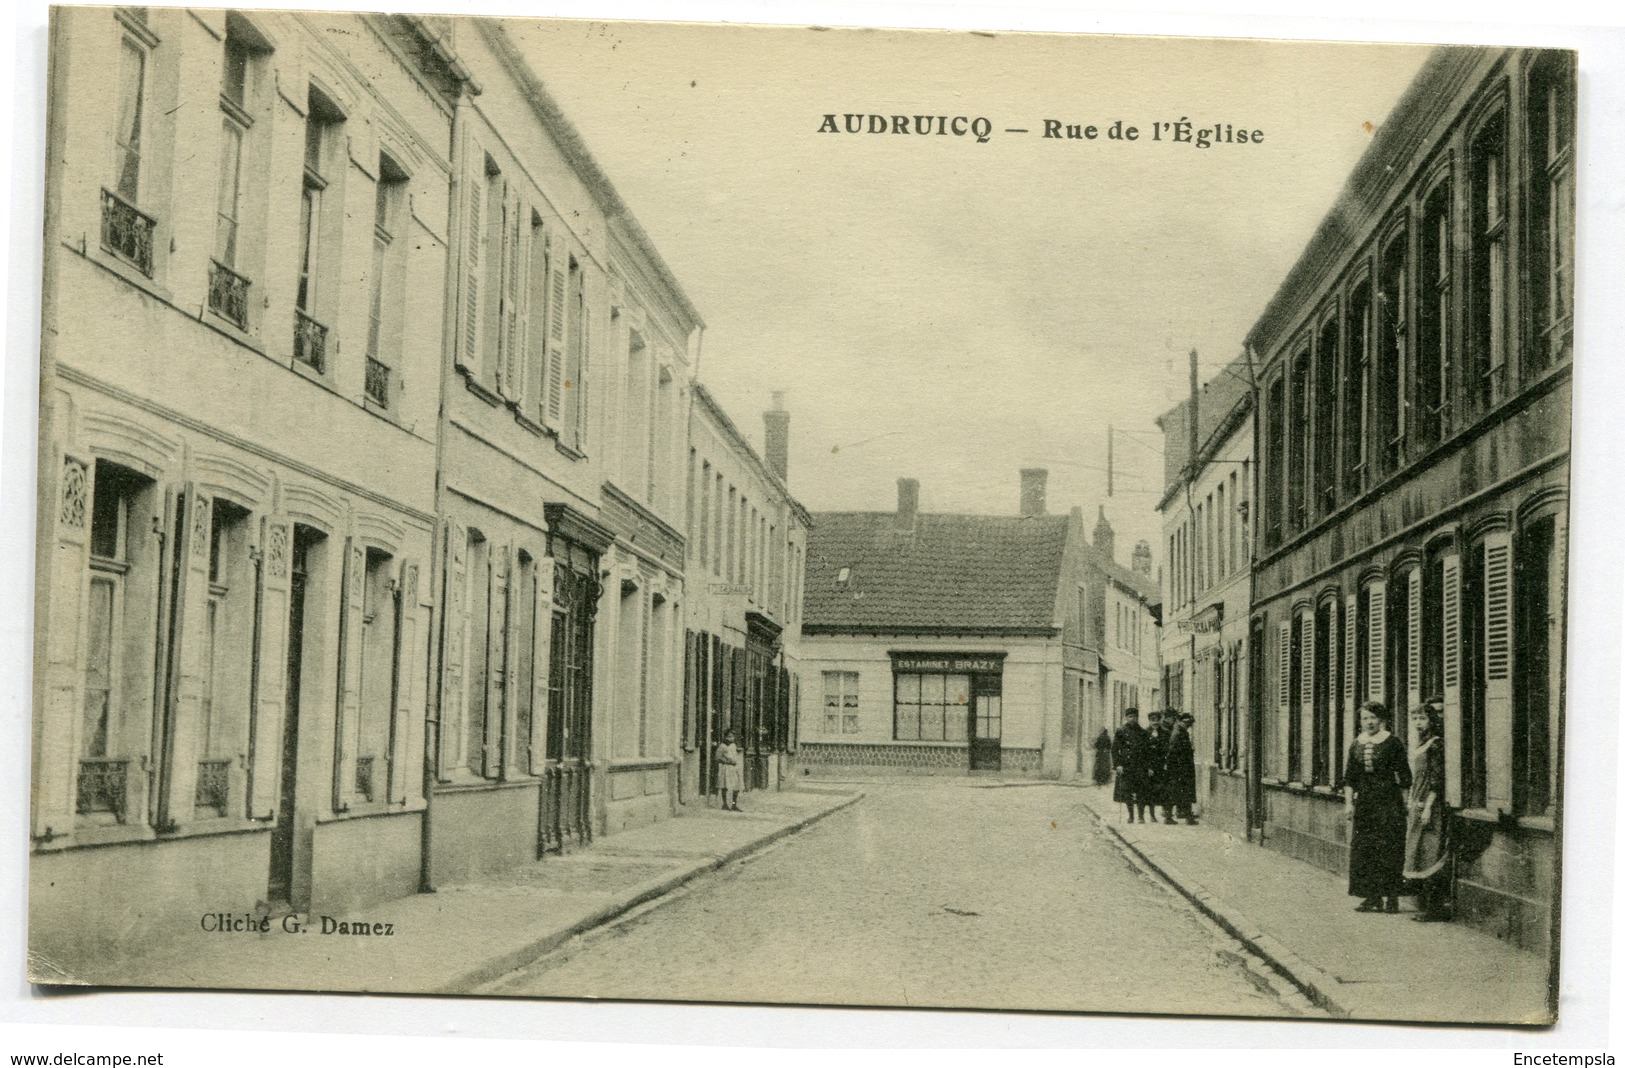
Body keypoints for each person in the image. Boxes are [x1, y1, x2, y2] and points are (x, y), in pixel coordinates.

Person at [1340, 702, 1412, 913]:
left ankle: (1391, 897)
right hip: (1365, 804)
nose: (1369, 722)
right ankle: (1372, 897)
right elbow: (1350, 778)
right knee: (1365, 848)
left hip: (1389, 801)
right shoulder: (1356, 744)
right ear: (1360, 721)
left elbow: (1406, 777)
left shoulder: (1392, 743)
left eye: (1373, 718)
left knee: (1389, 847)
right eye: (1365, 718)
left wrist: (1405, 802)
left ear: (1381, 720)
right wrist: (1348, 804)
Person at [1404, 698, 1453, 922]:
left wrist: (1428, 807)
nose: (1417, 723)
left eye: (1422, 718)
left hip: (1430, 805)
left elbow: (1437, 779)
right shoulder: (1421, 744)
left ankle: (1435, 908)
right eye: (1414, 719)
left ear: (1431, 720)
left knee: (1431, 852)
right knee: (1420, 852)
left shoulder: (1436, 744)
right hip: (1417, 801)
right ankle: (1427, 905)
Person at [1111, 709, 1147, 822]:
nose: (1132, 719)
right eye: (1130, 717)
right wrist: (1118, 765)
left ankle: (1141, 816)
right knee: (1127, 791)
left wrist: (1147, 765)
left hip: (1140, 765)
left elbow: (1147, 751)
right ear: (1126, 718)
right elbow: (1115, 749)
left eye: (1135, 717)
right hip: (1126, 766)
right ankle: (1131, 816)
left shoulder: (1142, 732)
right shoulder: (1121, 731)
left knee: (1141, 791)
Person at [1163, 712, 1199, 825]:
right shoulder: (1178, 732)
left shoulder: (1179, 730)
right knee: (1177, 792)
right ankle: (1172, 817)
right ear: (1184, 721)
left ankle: (1185, 816)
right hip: (1179, 768)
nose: (1189, 726)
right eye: (1188, 723)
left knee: (1182, 792)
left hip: (1181, 767)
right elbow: (1173, 750)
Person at [1141, 710, 1169, 824]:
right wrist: (1148, 767)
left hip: (1162, 766)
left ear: (1160, 720)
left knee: (1163, 790)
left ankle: (1164, 815)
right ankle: (1147, 816)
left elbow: (1168, 749)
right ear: (1149, 721)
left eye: (1157, 720)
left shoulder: (1166, 733)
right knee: (1147, 791)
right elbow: (1142, 752)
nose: (1155, 722)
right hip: (1148, 767)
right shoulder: (1144, 733)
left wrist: (1167, 762)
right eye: (1153, 720)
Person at [715, 729, 743, 811]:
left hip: (734, 768)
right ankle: (724, 804)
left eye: (732, 737)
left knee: (736, 786)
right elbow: (717, 757)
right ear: (726, 737)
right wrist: (726, 761)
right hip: (726, 767)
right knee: (725, 786)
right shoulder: (722, 746)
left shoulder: (733, 745)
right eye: (729, 737)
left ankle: (734, 804)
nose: (731, 738)